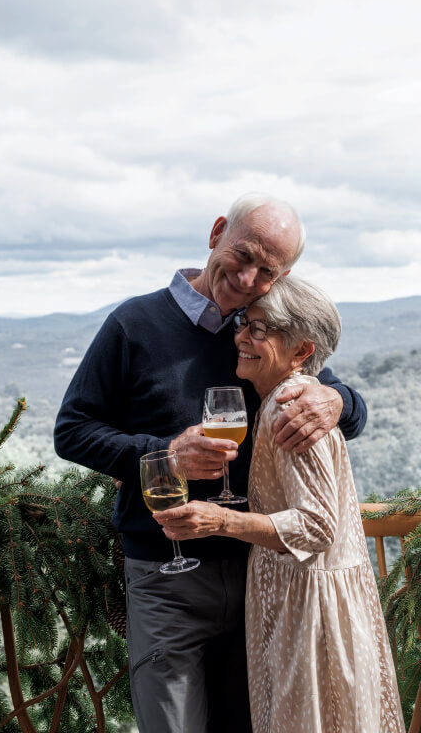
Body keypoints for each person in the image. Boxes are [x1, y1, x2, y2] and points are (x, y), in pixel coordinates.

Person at [53, 194, 367, 733]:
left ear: (284, 274)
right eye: (241, 255)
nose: (246, 279)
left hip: (262, 577)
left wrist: (338, 401)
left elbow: (347, 411)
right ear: (217, 231)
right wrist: (165, 455)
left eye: (267, 271)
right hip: (165, 572)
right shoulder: (133, 324)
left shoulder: (265, 330)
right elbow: (73, 432)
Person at [155, 276, 404, 733]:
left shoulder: (290, 409)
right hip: (301, 598)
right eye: (244, 324)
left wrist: (220, 519)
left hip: (310, 612)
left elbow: (317, 526)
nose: (241, 338)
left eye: (259, 330)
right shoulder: (283, 398)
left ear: (302, 351)